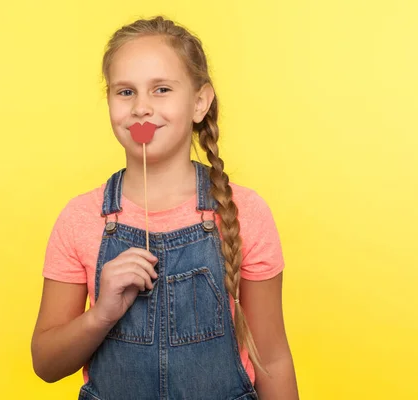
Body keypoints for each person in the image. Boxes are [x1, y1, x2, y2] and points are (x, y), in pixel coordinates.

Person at [31, 16, 299, 400]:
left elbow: (272, 359)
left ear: (199, 102)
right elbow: (46, 364)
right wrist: (102, 313)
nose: (141, 107)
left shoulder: (245, 213)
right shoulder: (80, 220)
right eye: (125, 92)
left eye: (161, 89)